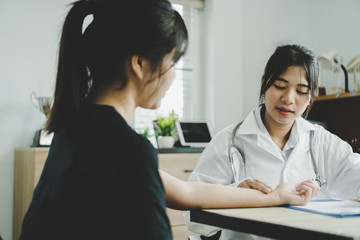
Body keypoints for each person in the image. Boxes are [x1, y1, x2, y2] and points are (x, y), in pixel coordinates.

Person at [20, 2, 319, 239]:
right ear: (139, 64)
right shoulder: (127, 149)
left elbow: (186, 192)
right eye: (173, 62)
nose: (174, 75)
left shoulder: (76, 130)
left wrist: (276, 196)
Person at [184, 44, 360, 240]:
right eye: (280, 86)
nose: (288, 98)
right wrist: (234, 194)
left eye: (301, 91)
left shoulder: (323, 142)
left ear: (311, 97)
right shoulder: (228, 142)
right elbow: (192, 218)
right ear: (264, 83)